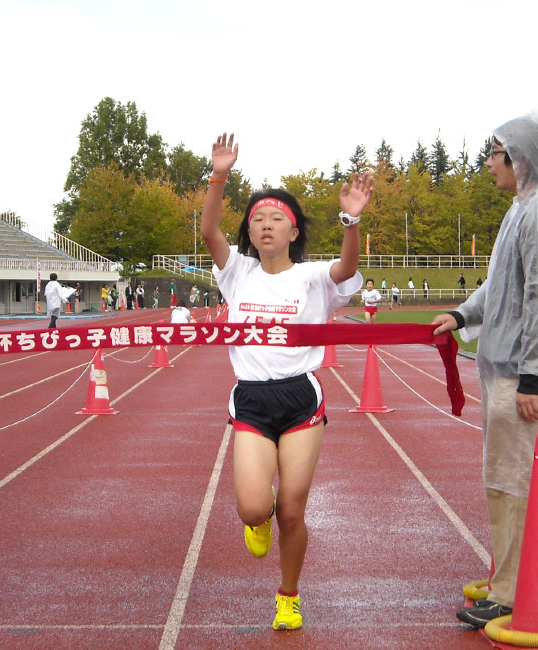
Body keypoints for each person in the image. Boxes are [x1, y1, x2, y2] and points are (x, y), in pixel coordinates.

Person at [200, 132, 372, 632]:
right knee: (256, 506)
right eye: (257, 219)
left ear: (294, 230)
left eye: (277, 218)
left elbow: (349, 266)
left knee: (292, 511)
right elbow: (211, 230)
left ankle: (288, 595)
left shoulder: (315, 277)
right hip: (251, 399)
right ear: (249, 233)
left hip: (301, 397)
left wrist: (351, 220)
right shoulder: (236, 272)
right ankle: (257, 521)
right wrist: (219, 176)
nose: (267, 224)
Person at [432, 113, 538, 629]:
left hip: (525, 376)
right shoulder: (523, 209)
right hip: (514, 369)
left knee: (518, 483)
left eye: (497, 153)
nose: (490, 163)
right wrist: (462, 314)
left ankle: (515, 593)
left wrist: (533, 378)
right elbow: (501, 286)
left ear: (523, 160)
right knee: (504, 480)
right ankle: (510, 581)